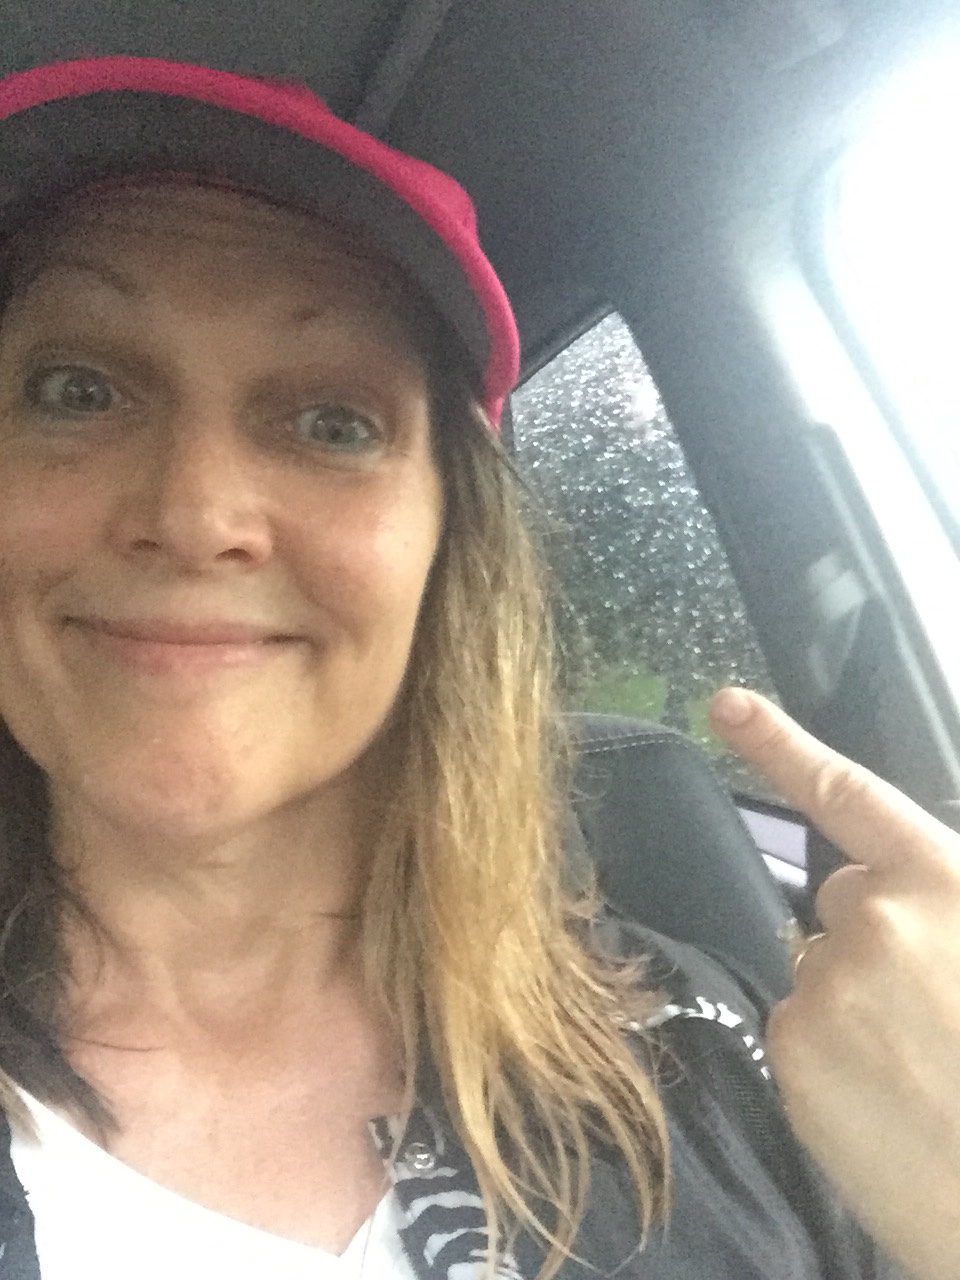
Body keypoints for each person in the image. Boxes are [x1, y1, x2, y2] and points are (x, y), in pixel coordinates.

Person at [0, 53, 954, 1280]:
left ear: (451, 543)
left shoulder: (743, 1068)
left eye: (332, 420)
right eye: (77, 388)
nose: (194, 514)